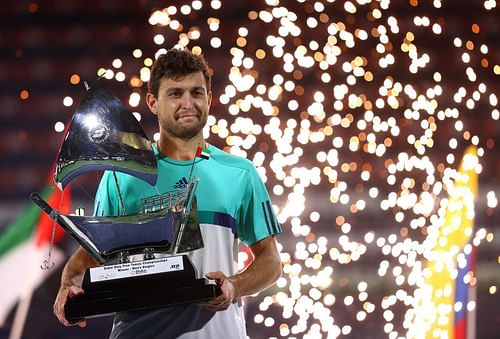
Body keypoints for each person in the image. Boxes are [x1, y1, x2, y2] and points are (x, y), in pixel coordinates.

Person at [53, 48, 282, 338]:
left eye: (197, 93)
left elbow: (271, 261)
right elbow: (92, 254)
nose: (188, 103)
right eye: (175, 94)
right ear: (153, 102)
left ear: (209, 99)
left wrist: (234, 284)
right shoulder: (121, 176)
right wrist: (68, 285)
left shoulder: (240, 173)